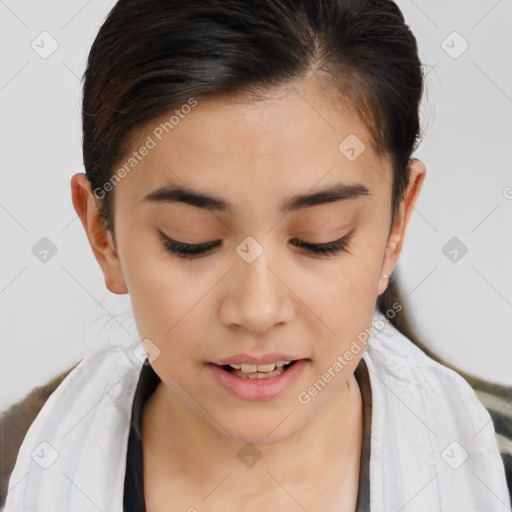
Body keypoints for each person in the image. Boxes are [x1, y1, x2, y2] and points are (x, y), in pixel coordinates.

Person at [2, 0, 511, 510]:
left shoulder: (495, 467)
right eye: (190, 240)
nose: (257, 309)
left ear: (396, 223)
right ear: (102, 234)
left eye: (321, 237)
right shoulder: (20, 472)